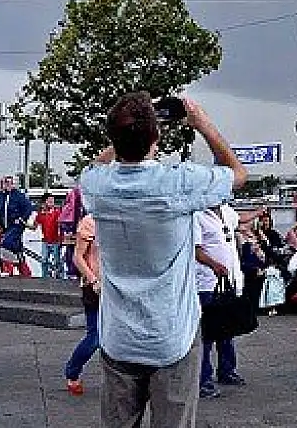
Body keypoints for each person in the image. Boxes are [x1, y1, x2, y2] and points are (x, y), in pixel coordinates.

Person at [79, 93, 247, 428]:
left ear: (114, 138)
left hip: (119, 337)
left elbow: (98, 164)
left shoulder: (96, 186)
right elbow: (237, 174)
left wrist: (133, 128)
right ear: (155, 137)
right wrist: (203, 124)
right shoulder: (179, 181)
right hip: (171, 336)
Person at [193, 205, 248, 399]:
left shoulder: (226, 211)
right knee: (207, 334)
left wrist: (258, 213)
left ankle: (227, 370)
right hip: (206, 282)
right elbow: (196, 250)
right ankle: (203, 380)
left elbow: (240, 220)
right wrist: (214, 265)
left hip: (227, 280)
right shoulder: (197, 215)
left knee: (226, 329)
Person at [65, 210, 102, 396]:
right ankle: (72, 372)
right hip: (95, 288)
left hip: (117, 288)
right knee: (95, 337)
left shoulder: (120, 219)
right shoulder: (89, 223)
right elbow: (78, 257)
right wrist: (93, 279)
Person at [35, 195, 64, 279]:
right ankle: (44, 277)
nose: (52, 202)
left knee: (57, 261)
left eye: (52, 201)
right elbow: (34, 226)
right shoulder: (41, 214)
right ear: (45, 202)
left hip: (56, 240)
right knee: (44, 260)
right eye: (49, 200)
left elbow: (62, 224)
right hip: (45, 241)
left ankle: (59, 277)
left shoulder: (58, 212)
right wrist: (22, 222)